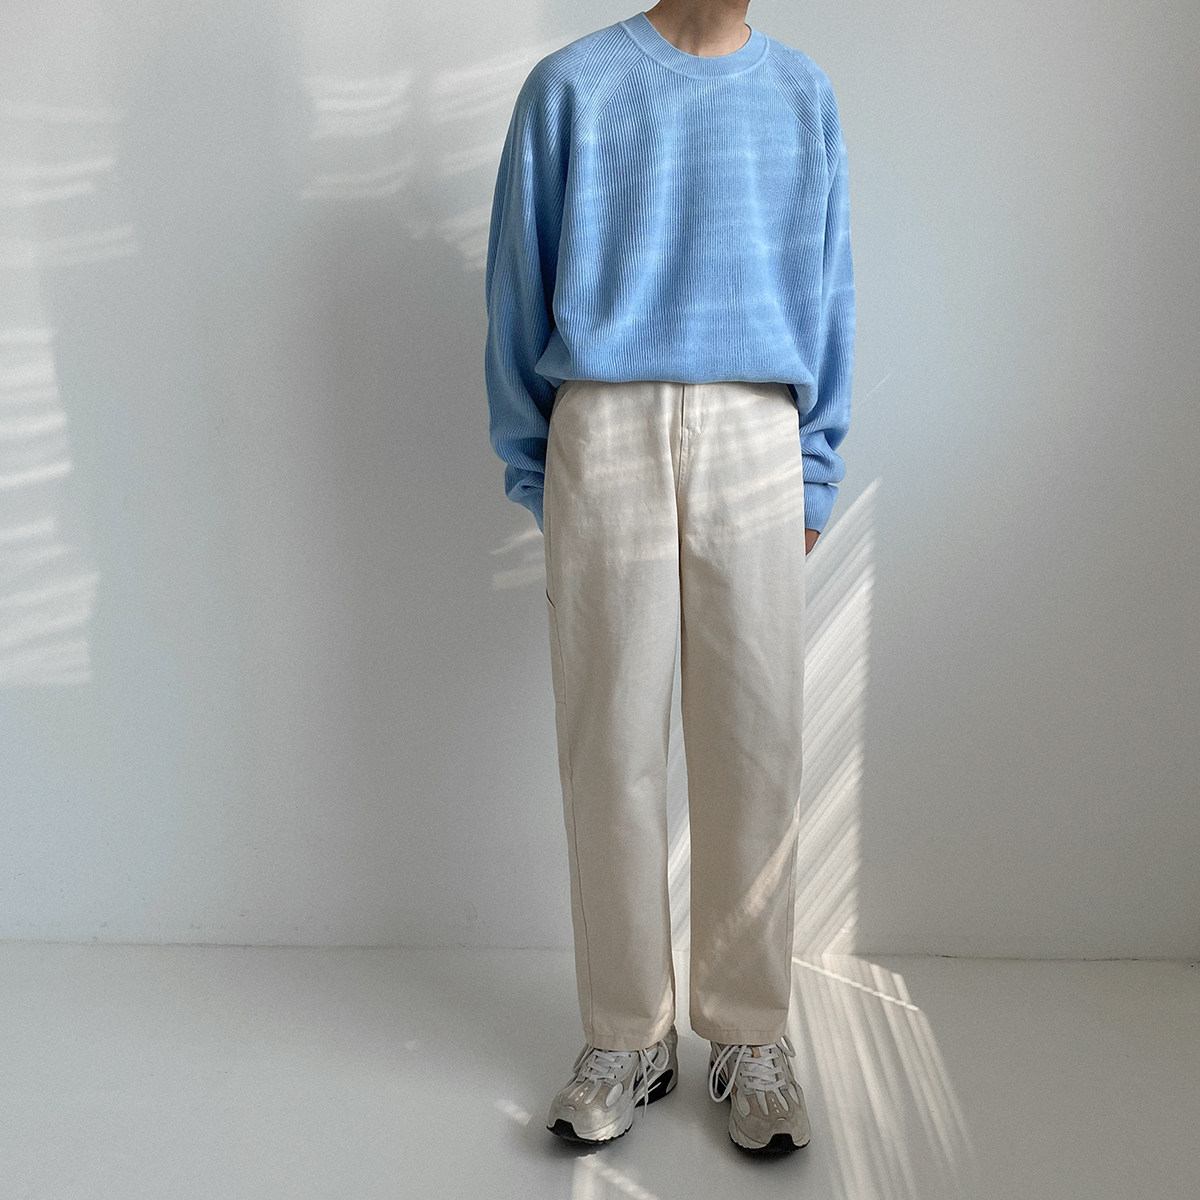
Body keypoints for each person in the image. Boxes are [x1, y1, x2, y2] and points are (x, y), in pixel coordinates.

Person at [483, 0, 854, 1155]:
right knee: (609, 747)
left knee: (757, 742)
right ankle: (627, 1034)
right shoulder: (571, 87)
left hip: (755, 425)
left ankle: (749, 1032)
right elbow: (516, 288)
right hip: (604, 422)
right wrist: (542, 470)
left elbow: (827, 289)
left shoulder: (802, 93)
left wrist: (812, 470)